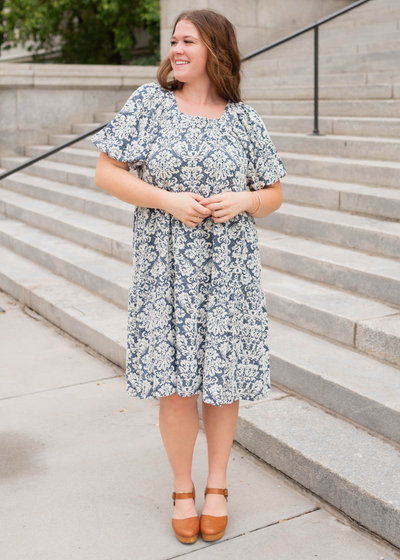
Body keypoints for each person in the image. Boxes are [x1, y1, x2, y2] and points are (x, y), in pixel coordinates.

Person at [91, 8, 287, 546]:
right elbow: (106, 171)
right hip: (166, 266)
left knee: (221, 383)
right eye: (173, 40)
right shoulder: (149, 104)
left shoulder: (244, 119)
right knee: (176, 385)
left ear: (216, 51)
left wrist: (246, 199)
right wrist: (168, 202)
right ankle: (183, 487)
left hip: (229, 271)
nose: (176, 50)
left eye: (189, 42)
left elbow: (273, 194)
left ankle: (218, 484)